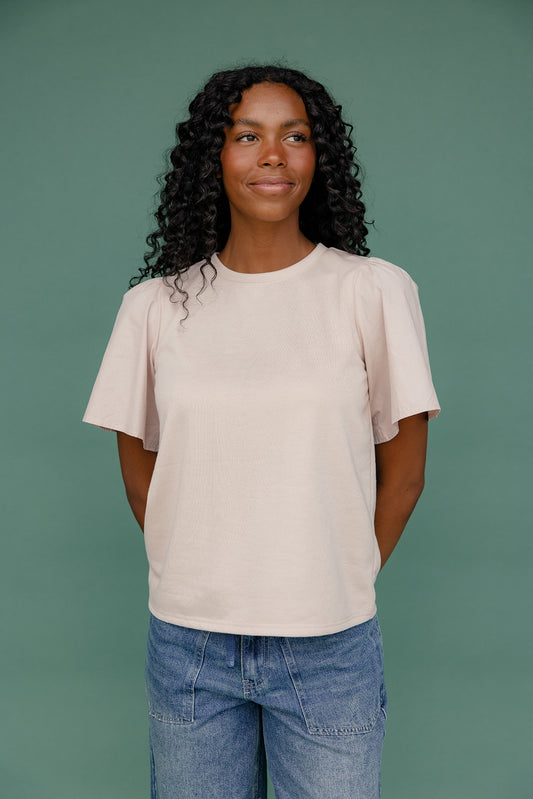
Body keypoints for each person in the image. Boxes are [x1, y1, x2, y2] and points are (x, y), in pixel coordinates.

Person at [83, 64, 440, 799]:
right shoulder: (154, 307)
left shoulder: (373, 291)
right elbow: (140, 473)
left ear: (320, 158)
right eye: (246, 135)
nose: (272, 154)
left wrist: (331, 579)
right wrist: (200, 574)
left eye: (295, 136)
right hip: (188, 643)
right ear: (213, 157)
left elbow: (403, 475)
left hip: (330, 644)